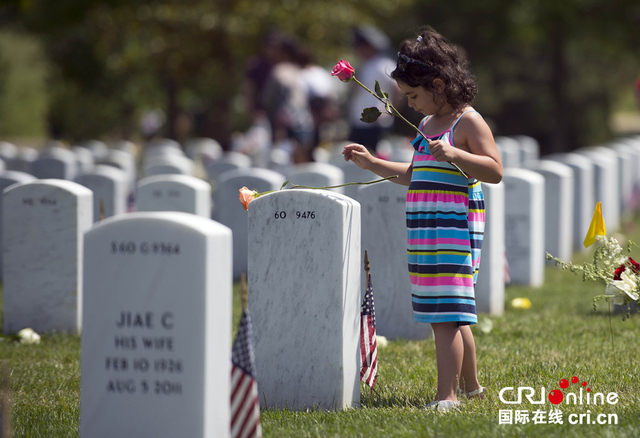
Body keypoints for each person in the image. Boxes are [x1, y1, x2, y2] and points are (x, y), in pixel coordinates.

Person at [342, 26, 503, 412]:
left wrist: (457, 155)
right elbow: (416, 174)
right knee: (452, 312)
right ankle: (472, 388)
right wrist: (373, 162)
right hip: (426, 227)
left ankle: (446, 397)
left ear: (438, 84)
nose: (410, 104)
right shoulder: (428, 126)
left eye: (414, 96)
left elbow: (495, 170)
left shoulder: (467, 122)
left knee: (445, 315)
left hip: (453, 229)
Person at [347, 25, 399, 152]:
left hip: (377, 123)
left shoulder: (384, 64)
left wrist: (390, 110)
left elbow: (398, 89)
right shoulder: (364, 65)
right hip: (359, 122)